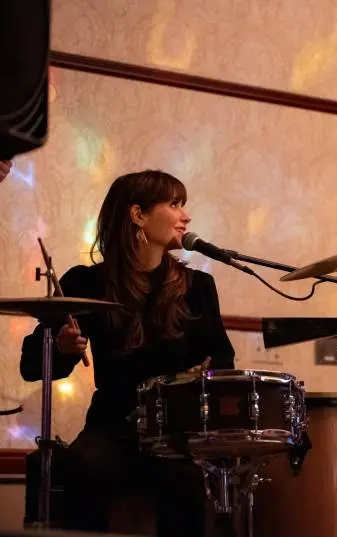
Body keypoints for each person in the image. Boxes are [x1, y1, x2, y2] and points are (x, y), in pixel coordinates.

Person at [20, 170, 235, 535]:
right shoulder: (87, 282)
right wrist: (61, 348)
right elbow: (30, 364)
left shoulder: (197, 286)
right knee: (83, 464)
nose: (185, 216)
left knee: (186, 480)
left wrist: (206, 374)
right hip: (111, 428)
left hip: (174, 435)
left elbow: (222, 360)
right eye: (174, 204)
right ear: (138, 215)